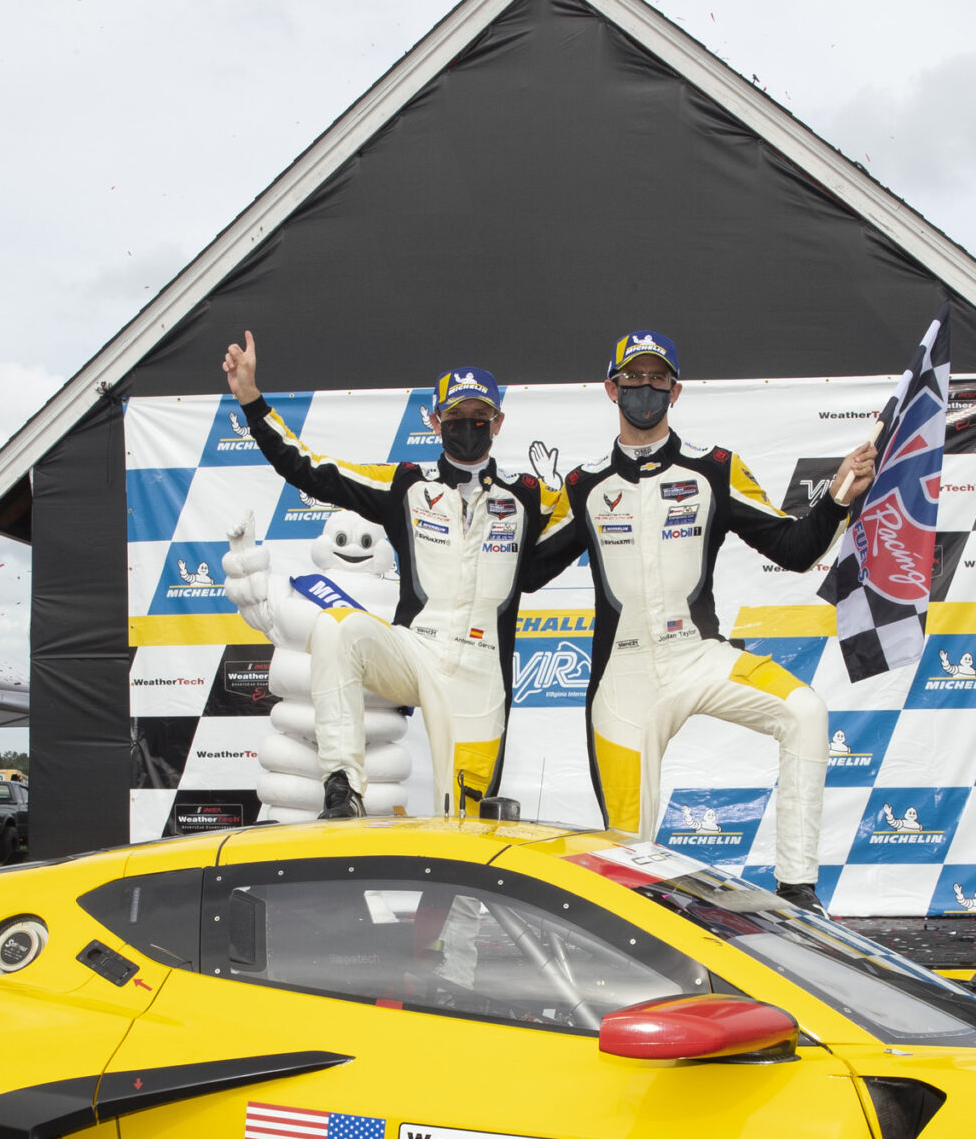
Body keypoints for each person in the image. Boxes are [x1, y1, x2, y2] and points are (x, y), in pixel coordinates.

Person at [524, 331, 877, 912]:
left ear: (676, 390)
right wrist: (518, 506)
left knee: (805, 712)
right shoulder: (584, 484)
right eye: (633, 379)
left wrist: (839, 497)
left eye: (657, 379)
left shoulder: (715, 468)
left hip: (698, 655)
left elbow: (792, 549)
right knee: (626, 859)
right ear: (611, 389)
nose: (645, 389)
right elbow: (530, 571)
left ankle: (797, 891)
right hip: (622, 680)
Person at [219, 332, 568, 819]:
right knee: (336, 626)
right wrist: (252, 401)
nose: (467, 426)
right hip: (416, 650)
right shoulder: (406, 485)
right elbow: (309, 469)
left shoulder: (529, 495)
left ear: (498, 423)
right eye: (455, 416)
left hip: (481, 670)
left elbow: (588, 524)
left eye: (479, 417)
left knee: (464, 819)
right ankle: (343, 788)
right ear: (435, 421)